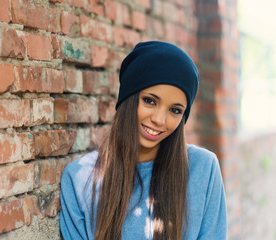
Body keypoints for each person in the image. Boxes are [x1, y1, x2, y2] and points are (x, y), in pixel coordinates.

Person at [60, 41, 227, 240]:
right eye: (150, 101)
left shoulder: (204, 169)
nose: (159, 119)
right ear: (129, 98)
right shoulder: (80, 178)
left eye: (175, 110)